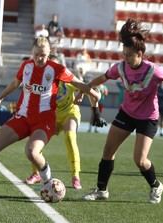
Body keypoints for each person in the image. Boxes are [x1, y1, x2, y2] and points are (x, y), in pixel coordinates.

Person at [82, 19, 163, 204]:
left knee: (140, 161)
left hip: (147, 118)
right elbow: (103, 77)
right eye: (124, 54)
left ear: (140, 54)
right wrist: (85, 88)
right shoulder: (121, 67)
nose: (126, 58)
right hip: (126, 113)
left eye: (129, 55)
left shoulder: (153, 70)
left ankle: (156, 185)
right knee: (108, 152)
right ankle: (101, 190)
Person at [0, 37, 100, 196]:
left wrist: (94, 93)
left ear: (49, 53)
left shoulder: (57, 68)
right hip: (22, 117)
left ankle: (49, 183)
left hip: (44, 120)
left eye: (44, 55)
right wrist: (0, 98)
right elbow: (15, 84)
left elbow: (78, 83)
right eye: (37, 55)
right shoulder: (26, 66)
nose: (40, 59)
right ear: (32, 53)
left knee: (32, 152)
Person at [25, 54, 106, 189]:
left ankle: (75, 176)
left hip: (70, 113)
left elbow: (92, 92)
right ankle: (36, 173)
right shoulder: (40, 81)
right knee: (35, 142)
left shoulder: (68, 80)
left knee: (70, 137)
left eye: (57, 66)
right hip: (51, 116)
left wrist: (95, 111)